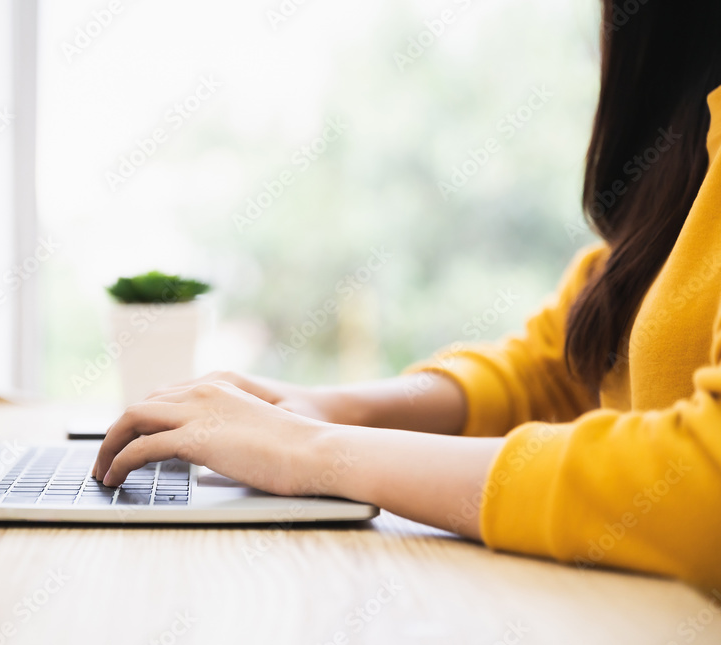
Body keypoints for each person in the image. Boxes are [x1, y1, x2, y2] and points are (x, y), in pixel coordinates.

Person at [93, 0, 721, 590]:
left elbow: (705, 482)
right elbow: (559, 369)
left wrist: (312, 452)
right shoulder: (690, 133)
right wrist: (332, 407)